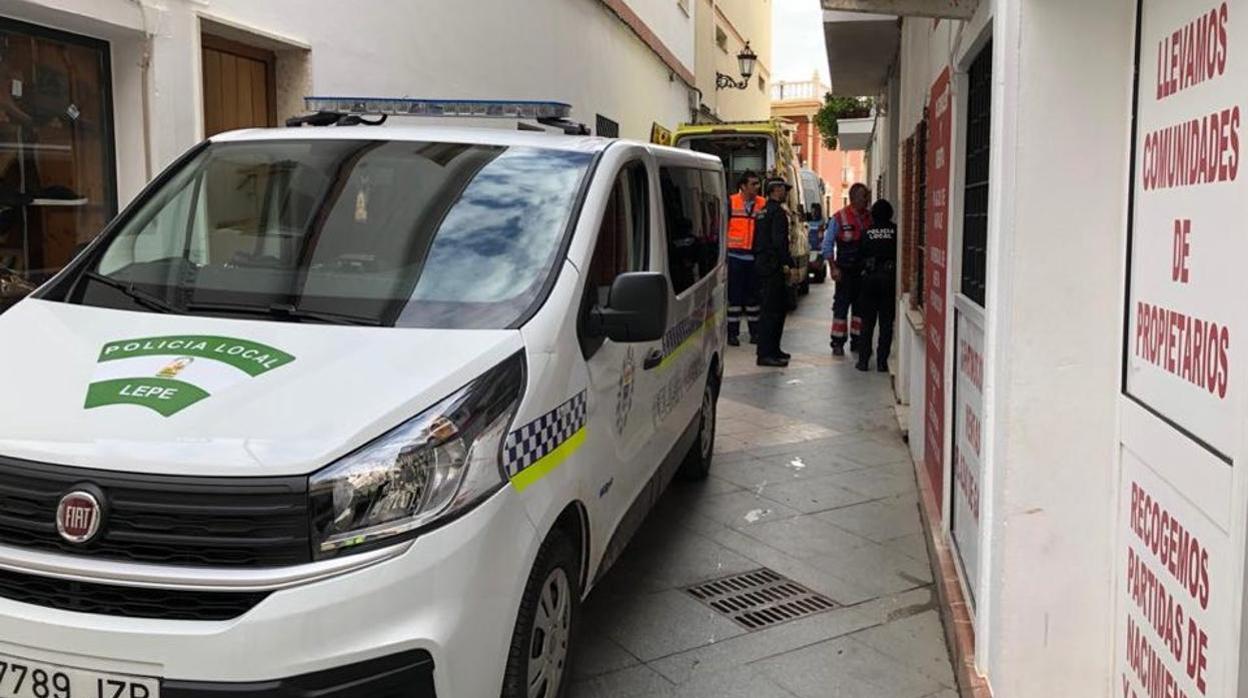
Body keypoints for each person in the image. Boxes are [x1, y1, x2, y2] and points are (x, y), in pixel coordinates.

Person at [822, 183, 872, 356]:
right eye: (863, 197)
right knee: (841, 308)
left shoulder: (869, 218)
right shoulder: (839, 218)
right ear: (853, 198)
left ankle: (857, 342)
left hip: (862, 272)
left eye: (867, 197)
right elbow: (827, 245)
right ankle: (837, 342)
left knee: (860, 308)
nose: (866, 201)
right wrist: (833, 268)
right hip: (844, 271)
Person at [753, 177, 794, 367]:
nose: (785, 192)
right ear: (775, 190)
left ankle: (773, 350)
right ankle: (766, 354)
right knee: (773, 311)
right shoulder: (777, 213)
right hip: (773, 267)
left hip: (763, 265)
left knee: (770, 310)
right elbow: (780, 243)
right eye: (783, 189)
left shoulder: (762, 212)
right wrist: (788, 264)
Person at [855, 199, 898, 372]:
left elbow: (859, 257)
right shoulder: (895, 232)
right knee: (886, 323)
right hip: (888, 280)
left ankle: (863, 360)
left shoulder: (867, 232)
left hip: (869, 280)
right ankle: (882, 362)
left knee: (867, 322)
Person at [725, 171, 765, 346]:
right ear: (743, 186)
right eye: (753, 184)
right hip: (735, 256)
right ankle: (732, 334)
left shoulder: (762, 204)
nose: (757, 187)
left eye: (758, 184)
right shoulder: (731, 202)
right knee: (734, 299)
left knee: (753, 299)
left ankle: (755, 333)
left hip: (754, 257)